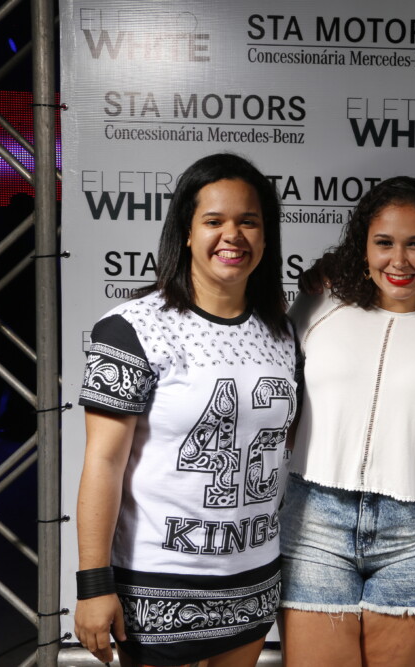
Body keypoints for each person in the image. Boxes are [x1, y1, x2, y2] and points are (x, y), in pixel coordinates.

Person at [74, 153, 297, 666]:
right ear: (187, 233)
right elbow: (103, 463)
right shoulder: (132, 328)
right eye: (214, 221)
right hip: (155, 585)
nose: (232, 235)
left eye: (248, 222)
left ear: (266, 237)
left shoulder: (284, 333)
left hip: (252, 582)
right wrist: (93, 584)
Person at [279, 176, 415, 667]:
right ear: (362, 248)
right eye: (384, 242)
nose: (399, 260)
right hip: (315, 520)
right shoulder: (318, 305)